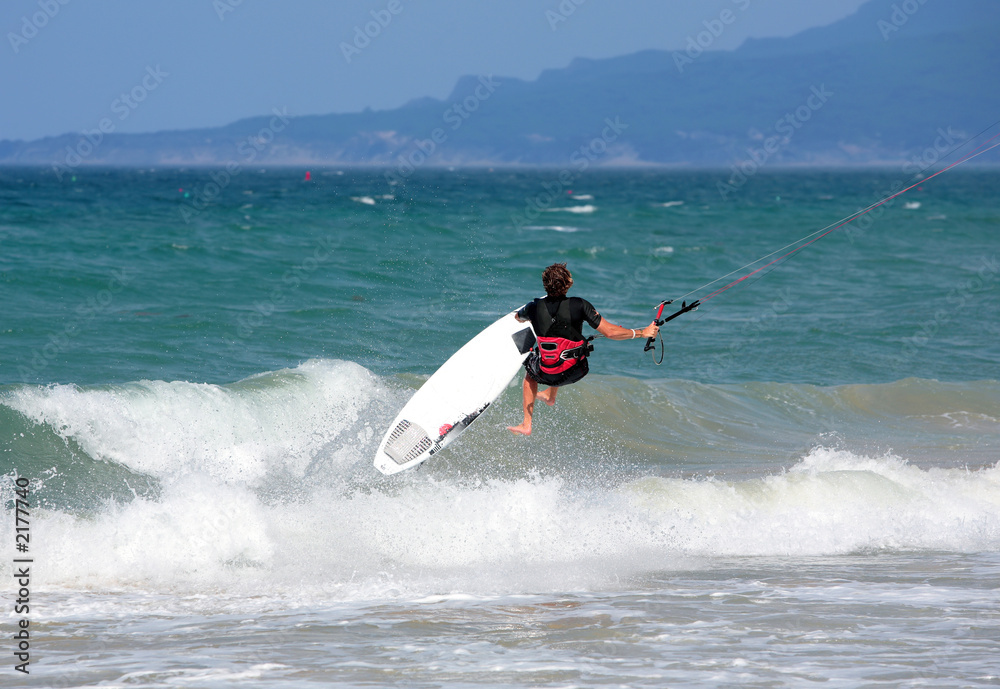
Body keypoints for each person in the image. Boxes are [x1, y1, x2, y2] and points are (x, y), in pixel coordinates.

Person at [507, 263, 659, 436]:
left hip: (546, 373)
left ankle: (527, 423)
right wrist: (642, 332)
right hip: (575, 370)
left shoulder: (533, 307)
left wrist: (532, 316)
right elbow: (610, 332)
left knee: (531, 371)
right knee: (564, 352)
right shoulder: (579, 305)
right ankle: (550, 396)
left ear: (545, 285)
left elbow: (518, 317)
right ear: (568, 283)